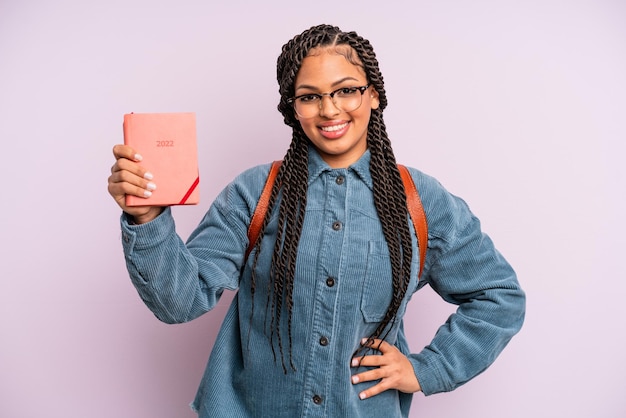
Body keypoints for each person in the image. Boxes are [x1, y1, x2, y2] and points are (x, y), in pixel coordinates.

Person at [107, 24, 525, 418]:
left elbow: (499, 297)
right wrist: (146, 218)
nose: (329, 110)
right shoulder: (255, 192)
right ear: (293, 108)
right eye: (309, 96)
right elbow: (180, 301)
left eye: (346, 90)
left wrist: (426, 370)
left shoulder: (421, 201)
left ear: (374, 95)